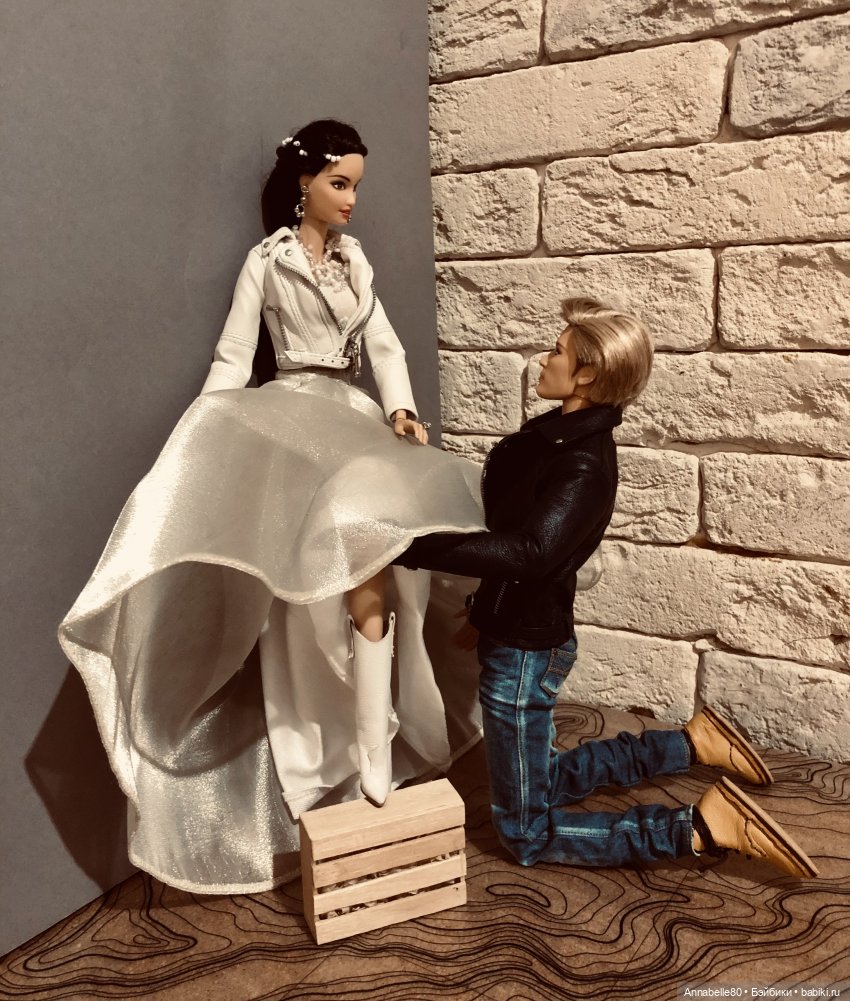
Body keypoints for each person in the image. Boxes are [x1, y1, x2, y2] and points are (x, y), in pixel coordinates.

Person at [58, 119, 486, 894]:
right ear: (303, 184)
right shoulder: (267, 262)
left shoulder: (357, 263)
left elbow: (384, 346)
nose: (350, 200)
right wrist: (203, 433)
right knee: (313, 599)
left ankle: (376, 749)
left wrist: (400, 406)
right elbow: (232, 355)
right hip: (291, 424)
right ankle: (328, 756)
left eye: (355, 185)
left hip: (355, 425)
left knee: (383, 577)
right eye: (339, 183)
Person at [395, 297, 818, 879]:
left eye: (557, 352)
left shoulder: (582, 462)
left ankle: (698, 828)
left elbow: (531, 553)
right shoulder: (555, 434)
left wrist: (413, 546)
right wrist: (484, 610)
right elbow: (517, 538)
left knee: (525, 833)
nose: (544, 360)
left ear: (587, 374)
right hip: (517, 631)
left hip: (524, 650)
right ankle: (690, 744)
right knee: (546, 778)